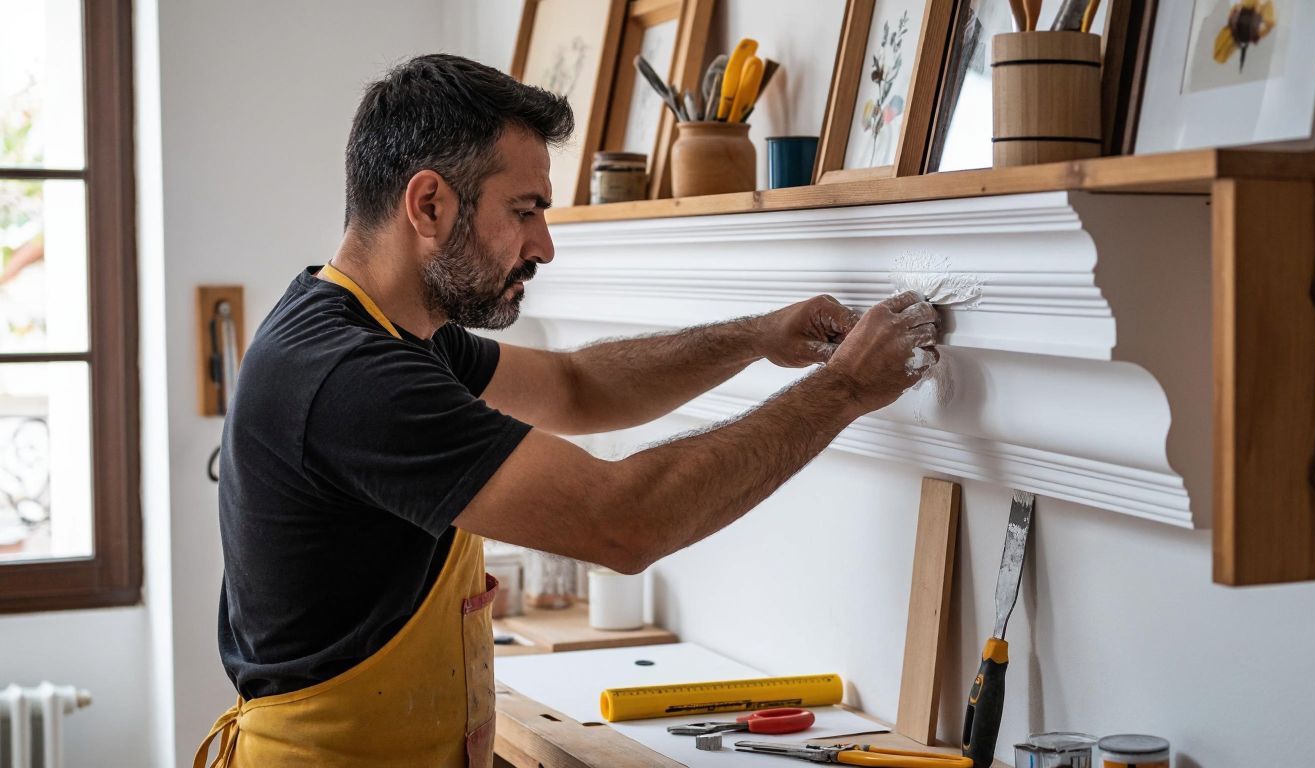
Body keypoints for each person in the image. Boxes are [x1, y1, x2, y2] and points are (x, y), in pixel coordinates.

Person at [196, 54, 940, 768]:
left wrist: (754, 338)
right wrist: (844, 389)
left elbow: (578, 386)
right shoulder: (352, 377)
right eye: (524, 212)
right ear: (429, 204)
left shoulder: (394, 332)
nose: (543, 246)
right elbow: (624, 521)